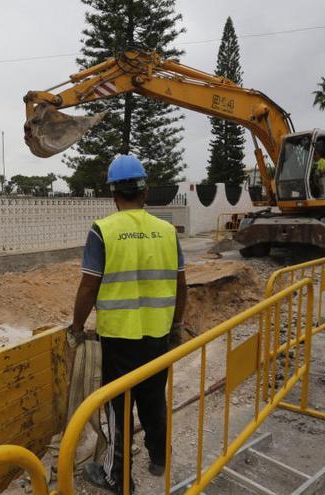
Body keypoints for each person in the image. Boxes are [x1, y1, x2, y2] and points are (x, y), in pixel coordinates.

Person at [70, 154, 187, 494]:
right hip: (158, 336)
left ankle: (118, 478)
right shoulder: (167, 231)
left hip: (119, 340)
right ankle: (159, 458)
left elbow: (89, 286)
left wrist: (77, 327)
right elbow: (181, 286)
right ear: (145, 192)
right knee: (153, 399)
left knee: (118, 407)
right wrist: (176, 325)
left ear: (113, 195)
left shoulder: (103, 230)